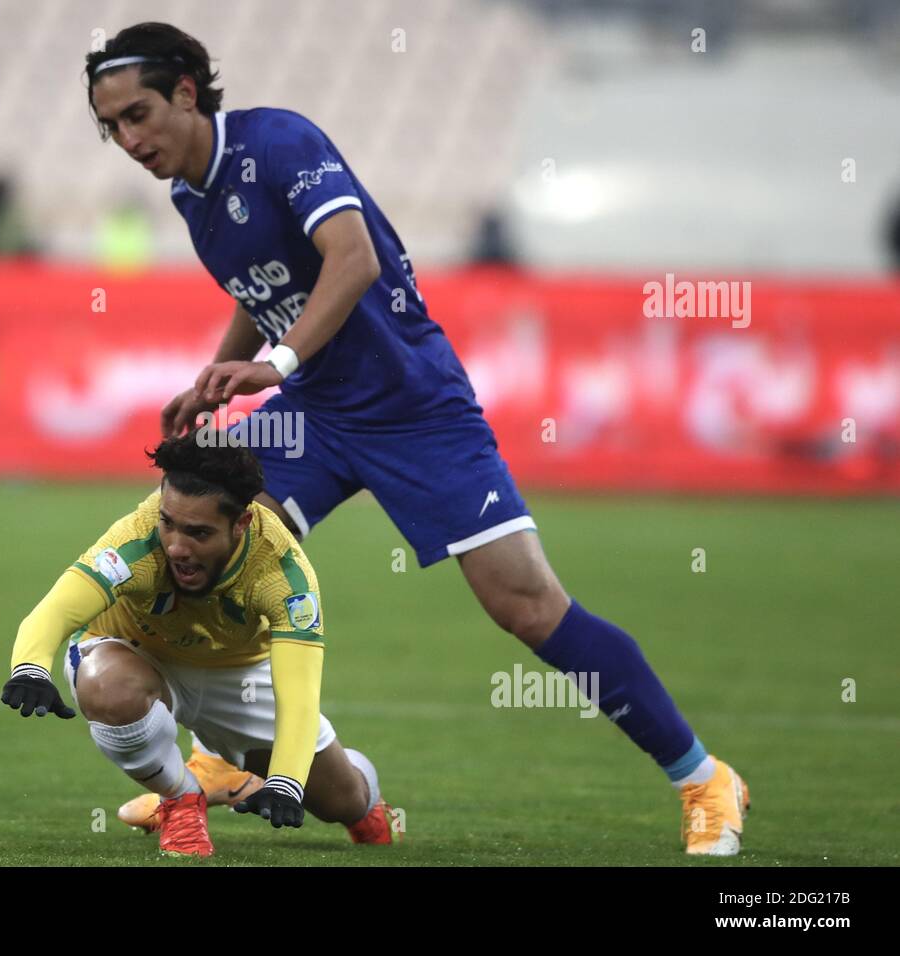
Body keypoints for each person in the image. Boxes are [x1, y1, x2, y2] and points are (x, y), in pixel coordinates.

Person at [85, 22, 750, 856]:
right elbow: (265, 292)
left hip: (413, 408)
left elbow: (352, 258)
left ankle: (703, 777)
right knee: (197, 550)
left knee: (527, 607)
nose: (129, 139)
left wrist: (278, 362)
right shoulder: (192, 195)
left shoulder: (281, 142)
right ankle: (219, 760)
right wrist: (215, 376)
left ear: (186, 90)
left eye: (138, 114)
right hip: (315, 414)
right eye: (112, 127)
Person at [0, 433, 397, 857]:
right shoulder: (136, 539)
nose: (176, 547)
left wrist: (285, 781)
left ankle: (365, 803)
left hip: (238, 674)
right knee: (106, 686)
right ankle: (181, 799)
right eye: (168, 522)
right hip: (135, 654)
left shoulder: (283, 572)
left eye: (199, 533)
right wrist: (29, 667)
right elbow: (54, 611)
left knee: (342, 801)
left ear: (241, 524)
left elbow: (298, 694)